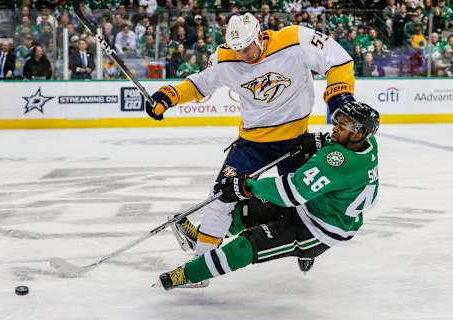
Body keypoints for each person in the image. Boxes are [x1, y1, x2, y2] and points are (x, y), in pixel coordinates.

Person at [145, 12, 356, 258]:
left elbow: (337, 59)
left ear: (258, 35)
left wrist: (340, 96)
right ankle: (200, 262)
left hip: (296, 141)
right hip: (253, 144)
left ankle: (308, 249)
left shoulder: (294, 39)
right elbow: (200, 84)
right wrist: (168, 95)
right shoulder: (225, 58)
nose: (243, 55)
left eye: (247, 47)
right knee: (220, 197)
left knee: (304, 203)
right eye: (238, 50)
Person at [155, 101, 380, 290]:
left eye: (343, 126)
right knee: (246, 210)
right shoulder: (368, 144)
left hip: (319, 229)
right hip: (314, 207)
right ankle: (204, 238)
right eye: (337, 122)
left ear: (359, 132)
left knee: (245, 246)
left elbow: (291, 193)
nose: (335, 127)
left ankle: (191, 274)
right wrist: (319, 140)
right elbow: (336, 152)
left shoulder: (337, 160)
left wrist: (246, 186)